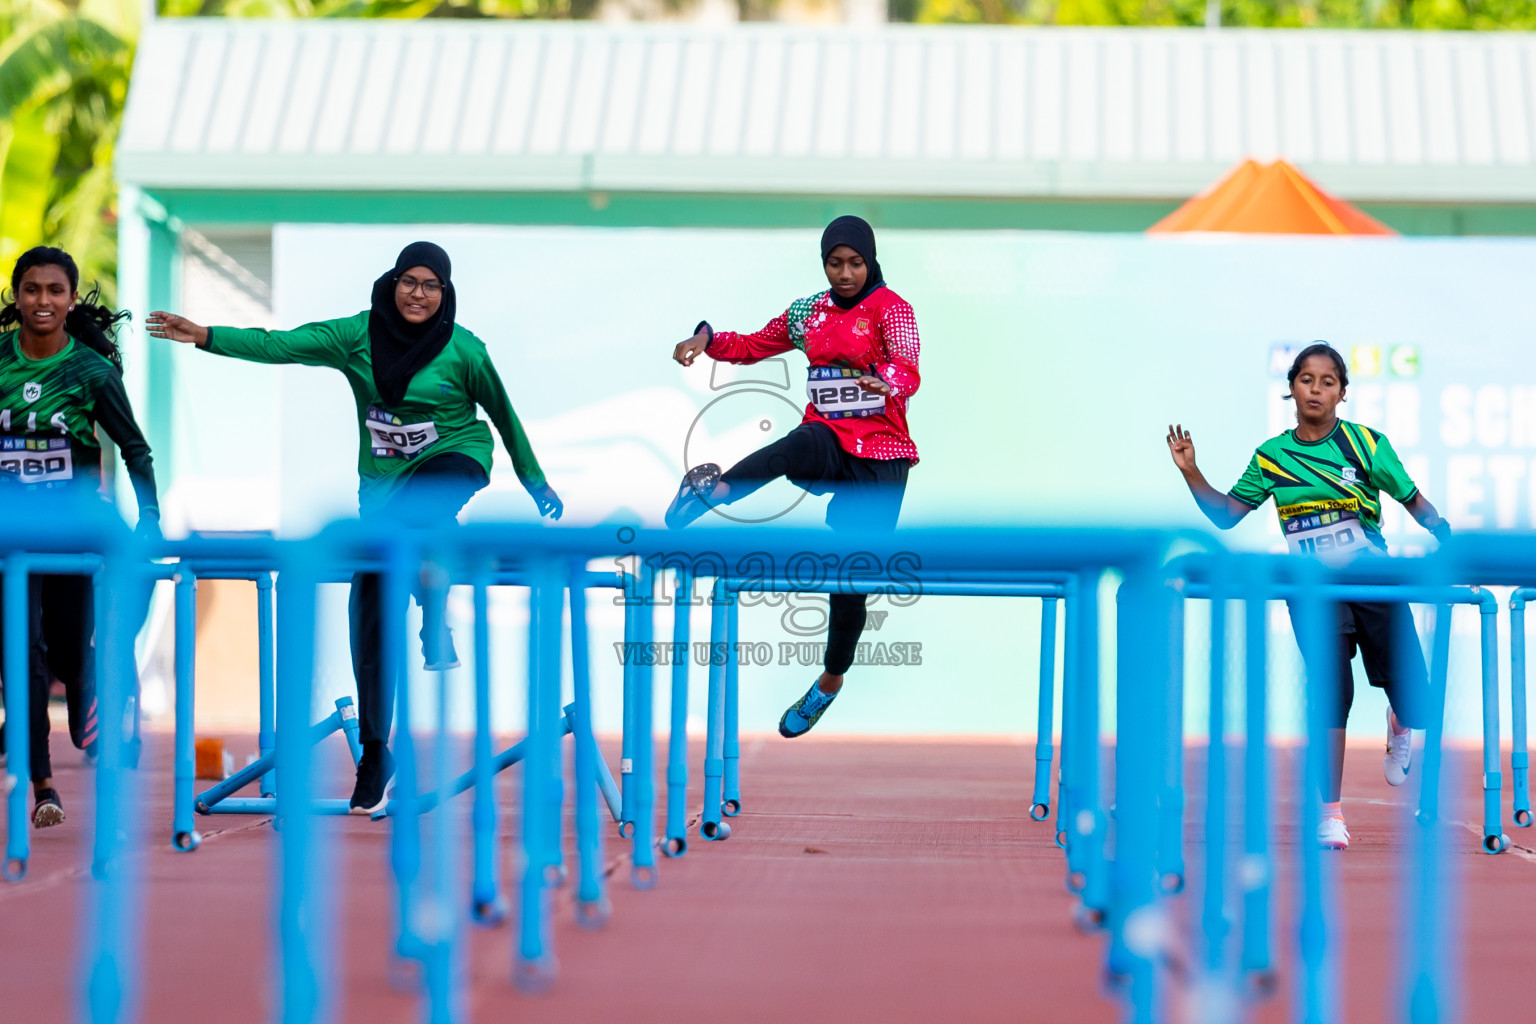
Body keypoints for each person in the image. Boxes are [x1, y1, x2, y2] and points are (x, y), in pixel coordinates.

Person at [146, 241, 561, 815]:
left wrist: (536, 484)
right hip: (383, 495)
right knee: (370, 603)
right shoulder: (354, 337)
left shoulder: (465, 350)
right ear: (392, 284)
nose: (419, 294)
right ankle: (374, 749)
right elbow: (280, 346)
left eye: (431, 285)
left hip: (454, 461)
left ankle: (435, 619)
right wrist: (206, 336)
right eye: (409, 282)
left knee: (419, 517)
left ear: (446, 293)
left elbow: (504, 416)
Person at [1167, 342, 1451, 850]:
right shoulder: (1272, 457)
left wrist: (1448, 539)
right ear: (1291, 388)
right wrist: (1191, 471)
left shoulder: (1366, 445)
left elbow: (1413, 500)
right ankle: (1330, 814)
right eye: (1306, 379)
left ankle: (1400, 720)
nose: (1316, 389)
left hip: (1374, 581)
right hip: (1311, 588)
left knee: (1420, 705)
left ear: (1343, 393)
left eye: (1327, 381)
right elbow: (1227, 515)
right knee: (1330, 693)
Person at [666, 216, 918, 739]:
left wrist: (885, 379)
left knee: (855, 576)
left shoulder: (891, 310)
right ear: (823, 263)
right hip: (829, 437)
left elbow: (909, 368)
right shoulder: (809, 313)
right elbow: (753, 344)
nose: (845, 273)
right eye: (834, 263)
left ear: (870, 261)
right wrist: (705, 340)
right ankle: (712, 491)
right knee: (801, 441)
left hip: (881, 455)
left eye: (854, 263)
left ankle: (829, 681)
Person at [0, 246, 161, 828]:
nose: (43, 301)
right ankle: (43, 786)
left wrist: (150, 521)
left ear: (70, 301)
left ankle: (89, 683)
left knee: (67, 651)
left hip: (71, 532)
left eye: (55, 291)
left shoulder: (91, 372)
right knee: (23, 654)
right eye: (32, 290)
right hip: (8, 535)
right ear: (16, 297)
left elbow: (136, 449)